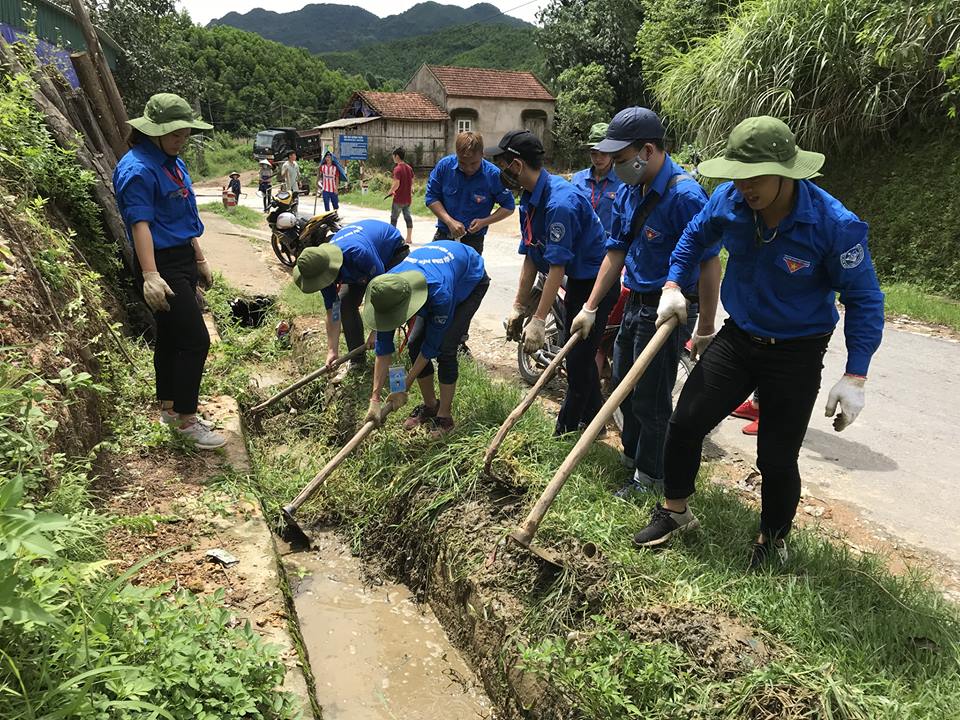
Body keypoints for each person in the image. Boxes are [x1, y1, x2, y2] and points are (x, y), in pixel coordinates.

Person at [632, 116, 885, 570]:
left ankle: (772, 539)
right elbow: (694, 237)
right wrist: (673, 284)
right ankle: (676, 512)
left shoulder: (832, 224)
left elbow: (865, 299)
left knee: (777, 454)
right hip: (740, 336)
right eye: (739, 176)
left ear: (788, 171)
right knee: (686, 421)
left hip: (797, 348)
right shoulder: (729, 201)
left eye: (756, 178)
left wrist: (855, 374)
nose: (745, 187)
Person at [570, 107, 721, 495]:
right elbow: (615, 252)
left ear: (648, 151)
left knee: (652, 398)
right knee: (622, 383)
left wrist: (705, 327)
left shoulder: (685, 196)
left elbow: (708, 262)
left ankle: (651, 479)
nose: (615, 167)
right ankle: (633, 459)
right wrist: (590, 307)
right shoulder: (629, 190)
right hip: (634, 300)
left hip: (668, 310)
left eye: (621, 159)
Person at [112, 92, 225, 450]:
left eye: (185, 132)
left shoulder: (172, 161)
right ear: (154, 131)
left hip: (182, 258)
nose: (182, 139)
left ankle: (170, 408)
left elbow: (183, 218)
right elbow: (140, 225)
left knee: (172, 336)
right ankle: (188, 421)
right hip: (159, 264)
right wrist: (150, 275)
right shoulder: (138, 169)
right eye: (175, 133)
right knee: (196, 340)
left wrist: (200, 258)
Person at [488, 130, 619, 435]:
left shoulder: (560, 202)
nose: (500, 173)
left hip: (596, 285)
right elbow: (532, 257)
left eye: (502, 164)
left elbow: (556, 268)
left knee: (577, 361)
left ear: (517, 165)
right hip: (577, 281)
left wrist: (537, 321)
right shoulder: (529, 200)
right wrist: (519, 306)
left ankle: (564, 433)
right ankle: (596, 424)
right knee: (581, 359)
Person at [362, 241, 489, 437]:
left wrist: (404, 386)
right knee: (413, 344)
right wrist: (375, 398)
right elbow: (384, 346)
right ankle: (430, 406)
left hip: (470, 278)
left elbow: (432, 346)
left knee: (446, 348)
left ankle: (444, 417)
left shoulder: (439, 293)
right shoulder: (387, 289)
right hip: (433, 273)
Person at [292, 219, 409, 375]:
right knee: (344, 304)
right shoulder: (320, 269)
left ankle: (386, 357)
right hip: (359, 268)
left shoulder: (358, 254)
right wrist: (332, 350)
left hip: (392, 253)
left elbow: (383, 289)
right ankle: (357, 361)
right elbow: (333, 311)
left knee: (383, 299)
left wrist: (376, 330)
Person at [425, 131, 515, 255]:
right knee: (435, 272)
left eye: (473, 163)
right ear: (456, 154)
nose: (468, 168)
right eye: (462, 163)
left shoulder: (493, 175)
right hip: (444, 235)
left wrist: (484, 222)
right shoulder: (444, 167)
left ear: (482, 154)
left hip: (474, 241)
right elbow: (431, 197)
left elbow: (509, 207)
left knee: (471, 274)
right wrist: (449, 221)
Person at [571, 123, 622, 234]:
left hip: (609, 246)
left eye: (603, 153)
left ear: (612, 153)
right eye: (594, 154)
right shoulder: (577, 179)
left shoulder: (623, 182)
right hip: (581, 242)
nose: (598, 159)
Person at [389, 146, 415, 245]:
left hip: (398, 198)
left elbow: (396, 184)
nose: (393, 158)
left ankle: (391, 238)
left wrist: (390, 191)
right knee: (407, 217)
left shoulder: (397, 169)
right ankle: (409, 238)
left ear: (396, 156)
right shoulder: (409, 168)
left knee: (394, 218)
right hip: (408, 199)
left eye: (393, 156)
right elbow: (412, 181)